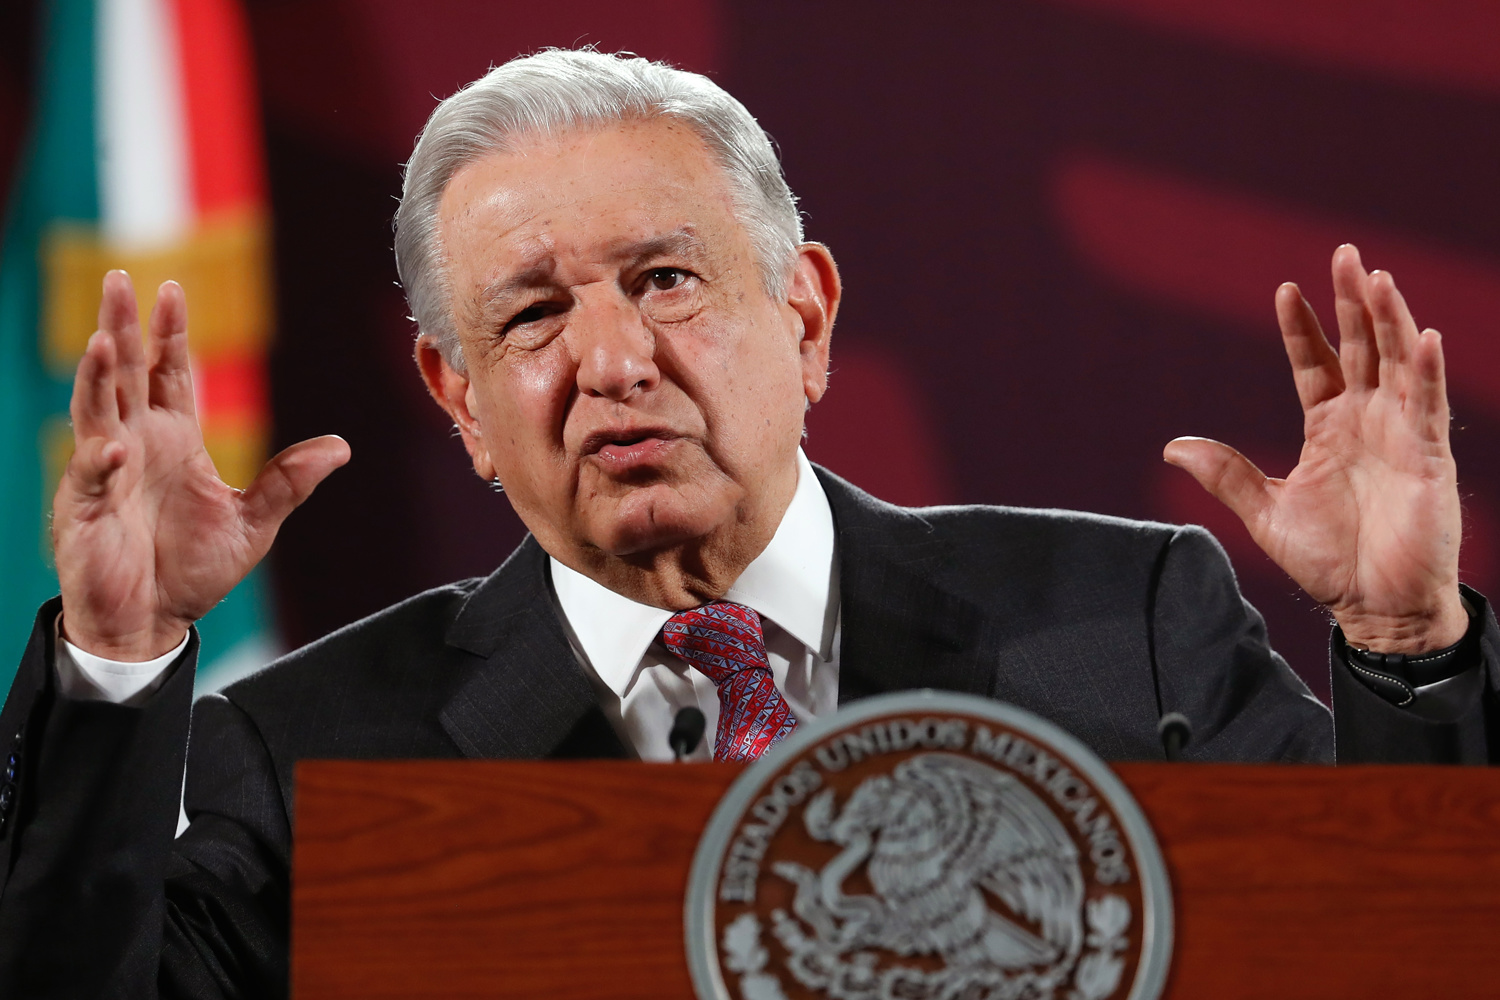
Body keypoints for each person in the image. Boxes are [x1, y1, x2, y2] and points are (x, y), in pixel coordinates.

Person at [0, 47, 1492, 998]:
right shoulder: (311, 747)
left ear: (807, 314)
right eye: (532, 315)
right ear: (458, 399)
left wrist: (1407, 645)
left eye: (664, 279)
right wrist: (120, 661)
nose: (611, 359)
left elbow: (1411, 961)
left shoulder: (1130, 625)